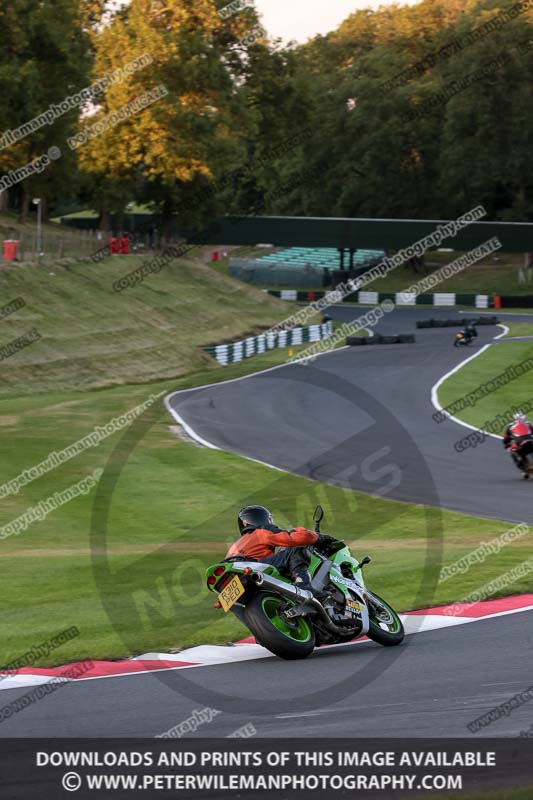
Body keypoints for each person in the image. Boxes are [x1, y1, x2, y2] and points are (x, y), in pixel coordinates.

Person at [224, 505, 338, 597]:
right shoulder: (261, 531)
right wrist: (320, 538)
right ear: (262, 519)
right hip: (252, 567)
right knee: (296, 548)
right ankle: (304, 584)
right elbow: (294, 538)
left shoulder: (236, 544)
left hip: (232, 574)